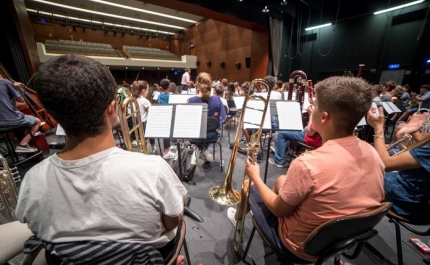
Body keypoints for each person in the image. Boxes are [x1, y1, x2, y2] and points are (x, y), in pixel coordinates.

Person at [15, 55, 186, 264]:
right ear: (112, 108)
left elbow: (35, 226)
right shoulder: (154, 169)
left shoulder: (32, 181)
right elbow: (171, 222)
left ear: (53, 114)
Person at [227, 76, 385, 263]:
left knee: (247, 184)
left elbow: (278, 210)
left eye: (314, 106)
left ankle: (237, 218)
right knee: (280, 181)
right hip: (338, 242)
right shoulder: (374, 154)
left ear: (324, 117)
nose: (311, 110)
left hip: (298, 248)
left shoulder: (307, 164)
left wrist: (256, 177)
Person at [368, 106, 430, 222]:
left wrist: (378, 128)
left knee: (358, 170)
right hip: (411, 190)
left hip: (407, 201)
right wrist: (409, 135)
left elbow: (385, 164)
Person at [188, 72, 227, 162]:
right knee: (210, 131)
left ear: (197, 83)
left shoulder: (190, 100)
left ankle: (202, 149)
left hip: (195, 136)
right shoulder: (217, 99)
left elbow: (188, 122)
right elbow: (222, 119)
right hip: (211, 135)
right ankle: (204, 149)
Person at [0, 76, 41, 153]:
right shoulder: (5, 82)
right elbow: (21, 101)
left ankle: (16, 145)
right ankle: (23, 145)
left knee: (7, 122)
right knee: (37, 122)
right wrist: (14, 88)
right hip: (10, 120)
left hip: (1, 124)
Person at [130, 80, 156, 153]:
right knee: (151, 124)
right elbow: (151, 115)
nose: (148, 92)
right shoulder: (145, 101)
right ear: (144, 90)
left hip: (132, 126)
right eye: (147, 90)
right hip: (142, 127)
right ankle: (152, 146)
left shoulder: (131, 100)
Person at [158, 79, 175, 159]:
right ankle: (166, 152)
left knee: (167, 133)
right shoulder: (170, 95)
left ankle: (167, 147)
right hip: (169, 114)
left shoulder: (159, 95)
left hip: (162, 114)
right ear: (169, 86)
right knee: (167, 133)